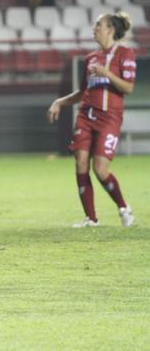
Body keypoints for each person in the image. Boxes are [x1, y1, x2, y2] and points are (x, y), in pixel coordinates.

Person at [47, 12, 136, 228]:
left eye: (99, 25)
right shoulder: (90, 58)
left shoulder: (125, 53)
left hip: (110, 119)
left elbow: (128, 87)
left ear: (110, 30)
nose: (94, 28)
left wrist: (107, 73)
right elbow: (82, 92)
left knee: (101, 169)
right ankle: (91, 218)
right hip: (86, 116)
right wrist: (60, 101)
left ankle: (124, 208)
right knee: (80, 164)